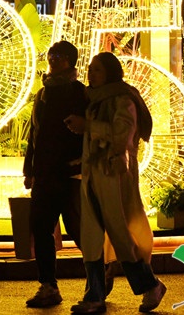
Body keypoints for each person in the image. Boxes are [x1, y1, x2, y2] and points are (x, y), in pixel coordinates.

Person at [64, 52, 166, 314]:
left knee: (121, 235)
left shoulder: (123, 99)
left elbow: (123, 134)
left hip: (114, 178)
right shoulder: (95, 100)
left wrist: (88, 126)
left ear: (110, 72)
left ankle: (150, 284)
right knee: (91, 238)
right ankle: (94, 295)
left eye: (97, 70)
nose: (91, 74)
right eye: (90, 69)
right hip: (94, 177)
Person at [23, 41, 88, 308]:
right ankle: (48, 285)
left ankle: (100, 273)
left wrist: (81, 164)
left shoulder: (79, 92)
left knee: (78, 229)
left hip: (71, 173)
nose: (53, 59)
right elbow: (35, 134)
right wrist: (29, 170)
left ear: (71, 61)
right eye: (51, 55)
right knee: (40, 226)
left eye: (60, 56)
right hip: (45, 172)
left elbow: (89, 131)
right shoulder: (43, 94)